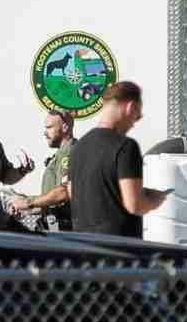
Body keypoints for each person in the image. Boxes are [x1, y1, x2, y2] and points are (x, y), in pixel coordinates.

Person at [69, 80, 169, 238]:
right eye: (137, 116)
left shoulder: (78, 147)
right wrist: (155, 199)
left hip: (83, 245)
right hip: (119, 249)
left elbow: (72, 192)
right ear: (130, 107)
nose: (134, 124)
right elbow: (134, 205)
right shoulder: (126, 147)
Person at [7, 111, 75, 230]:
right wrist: (25, 208)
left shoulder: (69, 153)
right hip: (52, 227)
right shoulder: (59, 155)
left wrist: (28, 202)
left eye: (49, 127)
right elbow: (50, 201)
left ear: (65, 127)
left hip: (62, 230)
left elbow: (64, 193)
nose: (45, 133)